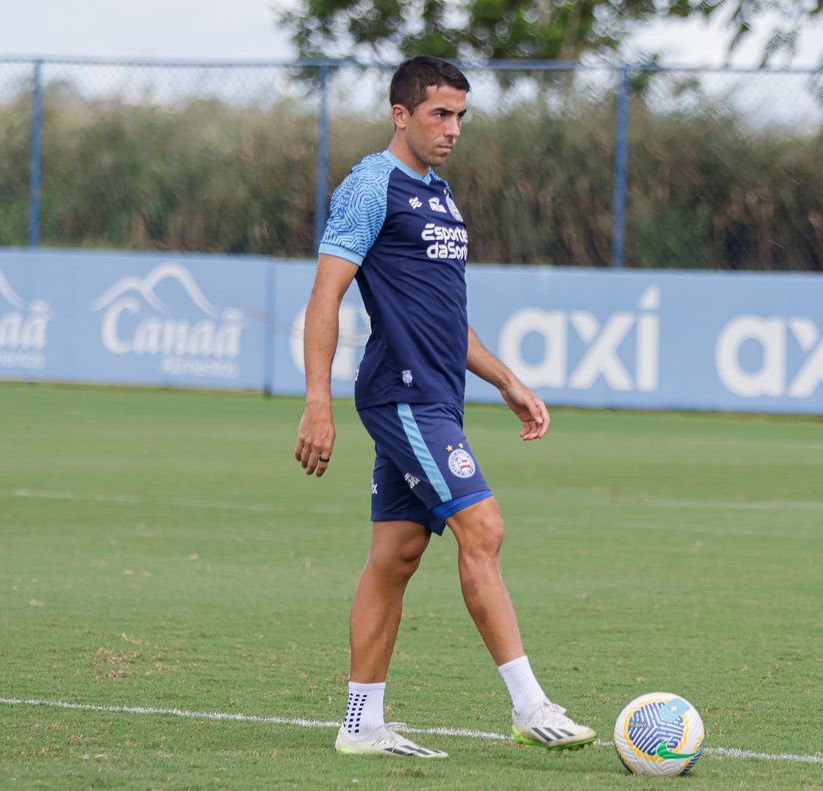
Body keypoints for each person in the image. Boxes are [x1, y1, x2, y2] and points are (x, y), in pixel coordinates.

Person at [293, 56, 595, 760]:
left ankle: (361, 722)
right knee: (482, 527)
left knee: (395, 556)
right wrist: (317, 400)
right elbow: (325, 295)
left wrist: (505, 379)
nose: (453, 128)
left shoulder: (441, 194)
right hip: (401, 395)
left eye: (461, 115)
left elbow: (444, 317)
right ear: (401, 114)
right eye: (439, 114)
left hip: (438, 398)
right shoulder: (372, 185)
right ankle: (530, 705)